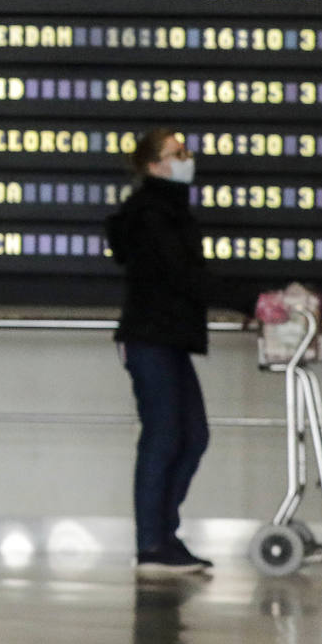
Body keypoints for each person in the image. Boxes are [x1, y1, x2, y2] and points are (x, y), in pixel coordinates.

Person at [104, 127, 242, 576]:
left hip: (168, 340)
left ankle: (164, 537)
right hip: (150, 340)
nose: (187, 158)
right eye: (175, 153)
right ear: (152, 166)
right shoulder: (151, 214)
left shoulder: (168, 211)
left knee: (191, 435)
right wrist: (254, 301)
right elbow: (184, 276)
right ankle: (152, 545)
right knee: (164, 437)